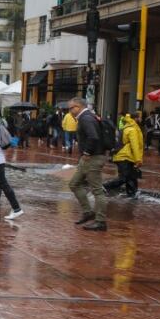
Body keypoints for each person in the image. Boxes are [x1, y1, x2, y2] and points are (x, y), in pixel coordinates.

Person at [67, 97, 108, 232]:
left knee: (97, 191)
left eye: (71, 108)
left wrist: (87, 152)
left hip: (93, 158)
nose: (69, 110)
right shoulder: (87, 117)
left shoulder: (86, 118)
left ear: (78, 107)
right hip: (89, 158)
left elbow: (93, 136)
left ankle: (101, 222)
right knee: (74, 184)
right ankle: (88, 212)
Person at [103, 114, 143, 199]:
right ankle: (103, 187)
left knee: (131, 177)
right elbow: (135, 145)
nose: (141, 119)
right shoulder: (132, 129)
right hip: (125, 156)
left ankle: (132, 195)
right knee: (124, 178)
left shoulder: (128, 127)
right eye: (139, 117)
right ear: (135, 119)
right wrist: (138, 159)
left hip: (125, 156)